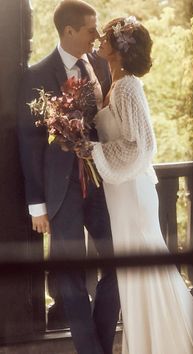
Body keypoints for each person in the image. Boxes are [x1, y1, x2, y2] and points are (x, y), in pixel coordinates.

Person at [88, 16, 193, 354]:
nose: (100, 39)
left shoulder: (127, 87)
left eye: (107, 35)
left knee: (144, 273)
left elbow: (142, 146)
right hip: (118, 193)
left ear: (120, 48)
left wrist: (92, 149)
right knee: (134, 276)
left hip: (132, 195)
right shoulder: (111, 83)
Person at [17, 1, 120, 354]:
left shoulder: (102, 66)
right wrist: (36, 205)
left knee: (120, 266)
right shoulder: (37, 75)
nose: (98, 36)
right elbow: (29, 143)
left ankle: (100, 345)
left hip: (102, 185)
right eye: (92, 30)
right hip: (61, 190)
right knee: (71, 279)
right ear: (69, 32)